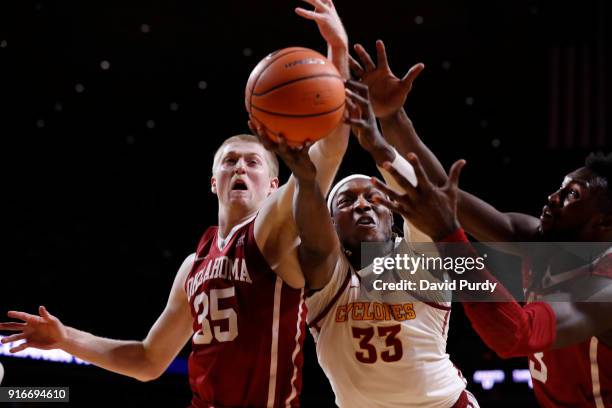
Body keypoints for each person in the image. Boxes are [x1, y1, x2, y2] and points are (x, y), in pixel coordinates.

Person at [0, 2, 350, 407]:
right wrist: (66, 339)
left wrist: (336, 54)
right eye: (229, 161)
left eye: (252, 162)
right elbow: (149, 360)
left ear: (273, 185)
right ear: (213, 182)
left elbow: (326, 154)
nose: (240, 167)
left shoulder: (271, 229)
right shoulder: (194, 265)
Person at [350, 40, 612, 408]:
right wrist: (394, 117)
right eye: (560, 186)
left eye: (573, 195)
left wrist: (447, 237)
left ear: (604, 224)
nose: (554, 197)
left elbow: (514, 335)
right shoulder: (536, 237)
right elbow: (444, 192)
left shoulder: (603, 292)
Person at [266, 78, 479, 407]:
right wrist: (307, 182)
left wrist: (378, 146)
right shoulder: (327, 276)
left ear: (393, 216)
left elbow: (419, 199)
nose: (363, 205)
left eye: (375, 198)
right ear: (331, 223)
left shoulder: (417, 262)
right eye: (346, 201)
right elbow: (313, 237)